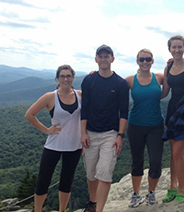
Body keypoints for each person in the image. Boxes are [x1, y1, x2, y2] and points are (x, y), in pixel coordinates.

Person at [25, 65, 82, 212]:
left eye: (68, 76)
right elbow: (29, 114)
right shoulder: (50, 97)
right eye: (62, 76)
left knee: (66, 181)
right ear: (57, 78)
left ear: (73, 78)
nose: (65, 79)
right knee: (43, 181)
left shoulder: (80, 95)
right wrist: (46, 130)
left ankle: (62, 210)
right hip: (53, 145)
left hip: (74, 146)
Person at [80, 45, 129, 212]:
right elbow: (84, 109)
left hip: (110, 133)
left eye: (106, 56)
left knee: (105, 173)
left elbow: (124, 112)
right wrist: (83, 133)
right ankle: (93, 202)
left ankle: (99, 209)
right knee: (91, 173)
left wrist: (120, 135)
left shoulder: (120, 83)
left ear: (112, 59)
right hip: (90, 133)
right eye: (100, 56)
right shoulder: (88, 80)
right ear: (96, 59)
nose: (103, 59)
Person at [126, 49, 165, 208]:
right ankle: (136, 194)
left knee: (155, 161)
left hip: (156, 125)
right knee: (137, 161)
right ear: (137, 62)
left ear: (152, 61)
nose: (145, 62)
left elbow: (180, 82)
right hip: (135, 125)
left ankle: (151, 193)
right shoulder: (130, 80)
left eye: (148, 59)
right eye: (142, 59)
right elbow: (111, 88)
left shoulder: (160, 78)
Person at [161, 35, 184, 203]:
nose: (177, 50)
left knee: (177, 152)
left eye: (179, 47)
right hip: (173, 111)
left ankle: (182, 189)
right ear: (169, 49)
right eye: (174, 47)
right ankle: (172, 186)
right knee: (172, 152)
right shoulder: (168, 67)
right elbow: (165, 92)